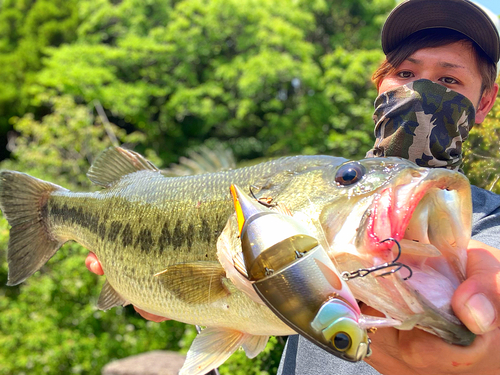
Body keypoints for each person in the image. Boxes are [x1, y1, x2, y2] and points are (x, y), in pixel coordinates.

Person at [87, 0, 500, 373]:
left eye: (448, 80)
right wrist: (162, 292)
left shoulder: (490, 222)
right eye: (405, 73)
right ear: (381, 87)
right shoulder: (305, 189)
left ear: (484, 102)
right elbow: (237, 287)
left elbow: (489, 281)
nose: (419, 91)